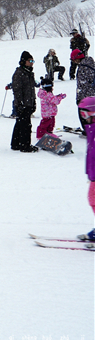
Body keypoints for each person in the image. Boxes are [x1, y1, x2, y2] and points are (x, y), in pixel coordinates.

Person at [10, 51, 38, 152]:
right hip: (23, 104)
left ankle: (16, 144)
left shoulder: (29, 73)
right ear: (23, 61)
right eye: (30, 61)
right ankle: (25, 145)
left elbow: (31, 89)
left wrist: (33, 102)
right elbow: (17, 90)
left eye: (32, 61)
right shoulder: (19, 73)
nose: (32, 63)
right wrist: (20, 103)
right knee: (25, 125)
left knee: (20, 123)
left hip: (28, 102)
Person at [78, 96, 95, 242]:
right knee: (92, 200)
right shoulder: (91, 128)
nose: (83, 118)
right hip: (93, 173)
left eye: (85, 114)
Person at [36, 76, 67, 142]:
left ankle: (49, 132)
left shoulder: (45, 93)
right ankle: (41, 134)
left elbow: (51, 99)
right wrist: (60, 97)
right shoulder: (47, 94)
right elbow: (55, 101)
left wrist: (57, 96)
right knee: (45, 124)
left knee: (51, 124)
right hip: (48, 113)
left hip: (49, 112)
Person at [73, 48, 95, 130]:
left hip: (87, 95)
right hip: (93, 93)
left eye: (74, 59)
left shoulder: (83, 68)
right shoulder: (91, 64)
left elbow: (82, 85)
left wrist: (79, 98)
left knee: (84, 113)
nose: (74, 61)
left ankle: (88, 130)